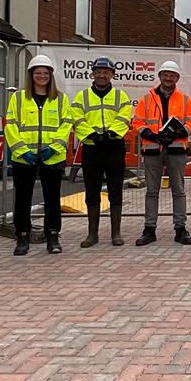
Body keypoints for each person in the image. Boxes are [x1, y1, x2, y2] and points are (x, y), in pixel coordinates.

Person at [4, 54, 72, 256]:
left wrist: (55, 147)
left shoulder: (60, 98)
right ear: (31, 75)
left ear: (51, 75)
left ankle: (52, 236)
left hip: (52, 157)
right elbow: (11, 126)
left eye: (45, 73)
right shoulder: (18, 98)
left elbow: (66, 125)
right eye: (37, 73)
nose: (41, 76)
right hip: (24, 157)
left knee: (52, 199)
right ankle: (22, 237)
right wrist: (22, 151)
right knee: (23, 199)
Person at [132, 60, 191, 246]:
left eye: (172, 75)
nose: (168, 78)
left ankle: (180, 228)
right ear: (160, 76)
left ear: (177, 78)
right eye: (165, 74)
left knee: (179, 191)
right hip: (152, 150)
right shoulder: (147, 99)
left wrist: (179, 132)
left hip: (176, 149)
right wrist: (149, 135)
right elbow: (137, 122)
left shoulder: (185, 100)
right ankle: (149, 229)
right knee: (151, 192)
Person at [70, 56, 132, 248]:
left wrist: (112, 133)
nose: (102, 75)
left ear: (112, 74)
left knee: (115, 189)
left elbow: (124, 116)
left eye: (106, 72)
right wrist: (92, 134)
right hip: (92, 147)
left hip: (113, 146)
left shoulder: (121, 96)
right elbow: (77, 118)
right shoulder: (82, 96)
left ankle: (116, 233)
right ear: (93, 74)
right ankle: (92, 234)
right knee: (92, 190)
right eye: (98, 72)